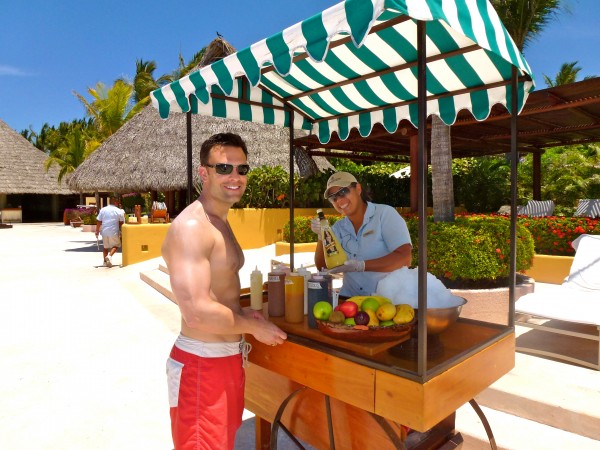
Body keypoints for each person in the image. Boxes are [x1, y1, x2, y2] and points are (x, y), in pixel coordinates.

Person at [161, 132, 287, 450]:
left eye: (241, 169)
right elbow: (197, 311)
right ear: (204, 172)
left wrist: (244, 314)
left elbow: (219, 294)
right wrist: (253, 326)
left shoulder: (219, 221)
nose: (234, 177)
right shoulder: (192, 227)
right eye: (223, 168)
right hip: (202, 366)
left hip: (226, 361)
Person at [312, 171, 412, 297]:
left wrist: (361, 266)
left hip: (386, 302)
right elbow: (323, 267)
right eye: (334, 198)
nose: (339, 200)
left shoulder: (384, 214)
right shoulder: (338, 228)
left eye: (343, 192)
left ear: (358, 188)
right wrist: (321, 237)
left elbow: (405, 259)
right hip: (350, 300)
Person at [95, 197, 125, 268]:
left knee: (105, 247)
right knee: (117, 245)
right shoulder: (119, 211)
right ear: (115, 202)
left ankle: (105, 262)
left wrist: (97, 230)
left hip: (104, 231)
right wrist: (121, 231)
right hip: (113, 231)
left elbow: (99, 221)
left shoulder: (103, 209)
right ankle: (109, 256)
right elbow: (121, 222)